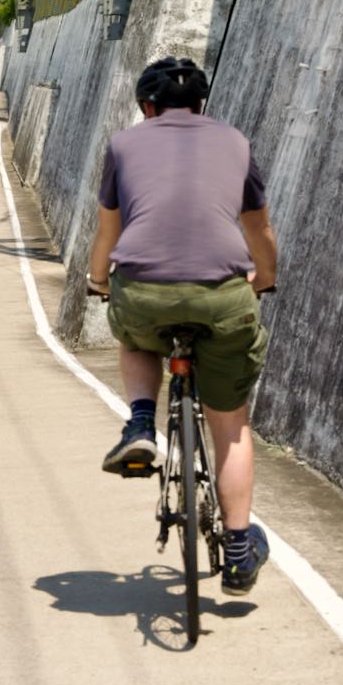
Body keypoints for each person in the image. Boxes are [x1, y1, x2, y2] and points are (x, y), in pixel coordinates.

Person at [86, 57, 280, 596]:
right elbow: (259, 229)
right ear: (201, 105)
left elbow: (110, 231)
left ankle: (142, 424)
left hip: (145, 289)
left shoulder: (124, 146)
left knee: (134, 334)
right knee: (232, 427)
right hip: (223, 296)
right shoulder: (235, 142)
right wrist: (264, 279)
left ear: (147, 107)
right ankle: (240, 553)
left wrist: (99, 280)